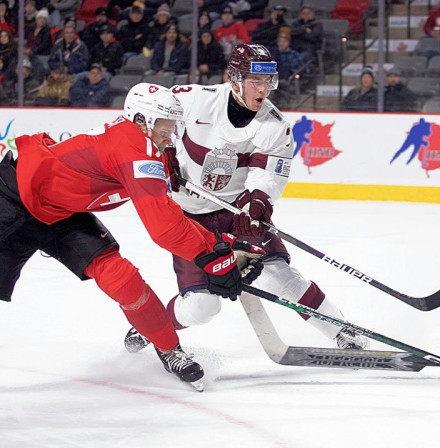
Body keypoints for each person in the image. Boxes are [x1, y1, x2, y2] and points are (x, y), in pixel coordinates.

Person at [3, 83, 260, 390]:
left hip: (62, 211)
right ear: (142, 121)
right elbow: (164, 227)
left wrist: (222, 246)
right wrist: (215, 259)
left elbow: (170, 215)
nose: (170, 135)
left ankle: (168, 348)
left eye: (172, 127)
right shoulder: (135, 149)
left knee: (122, 278)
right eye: (165, 127)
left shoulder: (141, 141)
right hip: (13, 201)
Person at [122, 44, 369, 355]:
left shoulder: (275, 125)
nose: (263, 89)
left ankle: (342, 331)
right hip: (188, 217)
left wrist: (257, 203)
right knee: (201, 307)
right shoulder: (193, 98)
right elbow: (147, 119)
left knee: (279, 274)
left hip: (236, 212)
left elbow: (267, 174)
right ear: (234, 78)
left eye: (268, 82)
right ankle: (152, 324)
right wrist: (163, 152)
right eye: (256, 81)